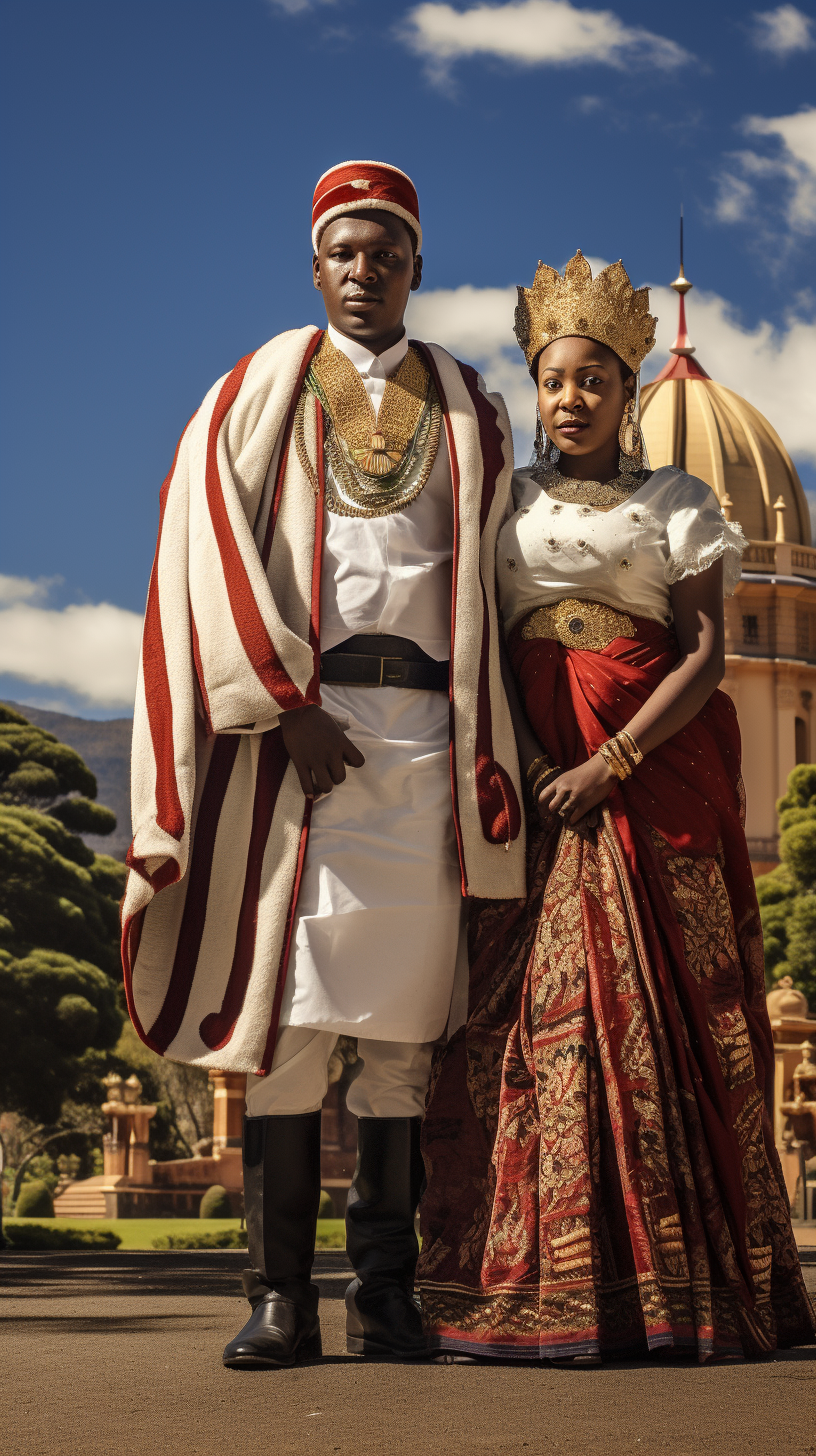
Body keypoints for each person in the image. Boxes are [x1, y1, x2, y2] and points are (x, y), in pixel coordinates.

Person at [121, 160, 526, 1369]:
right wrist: (283, 701)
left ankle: (386, 1295)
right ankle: (280, 1298)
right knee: (291, 1016)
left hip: (428, 743)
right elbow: (200, 534)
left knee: (405, 1032)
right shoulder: (259, 385)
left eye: (386, 252)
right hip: (303, 739)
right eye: (343, 252)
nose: (364, 272)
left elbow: (499, 575)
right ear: (315, 266)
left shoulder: (469, 403)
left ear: (418, 266)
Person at [417, 251, 816, 1363]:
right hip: (535, 783)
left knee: (663, 1023)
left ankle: (675, 1285)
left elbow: (705, 655)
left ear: (626, 391)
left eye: (596, 378)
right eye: (556, 379)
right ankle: (531, 1282)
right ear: (536, 390)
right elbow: (484, 641)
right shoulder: (507, 501)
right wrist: (539, 761)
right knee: (520, 1034)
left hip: (647, 780)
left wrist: (613, 763)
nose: (574, 396)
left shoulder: (676, 504)